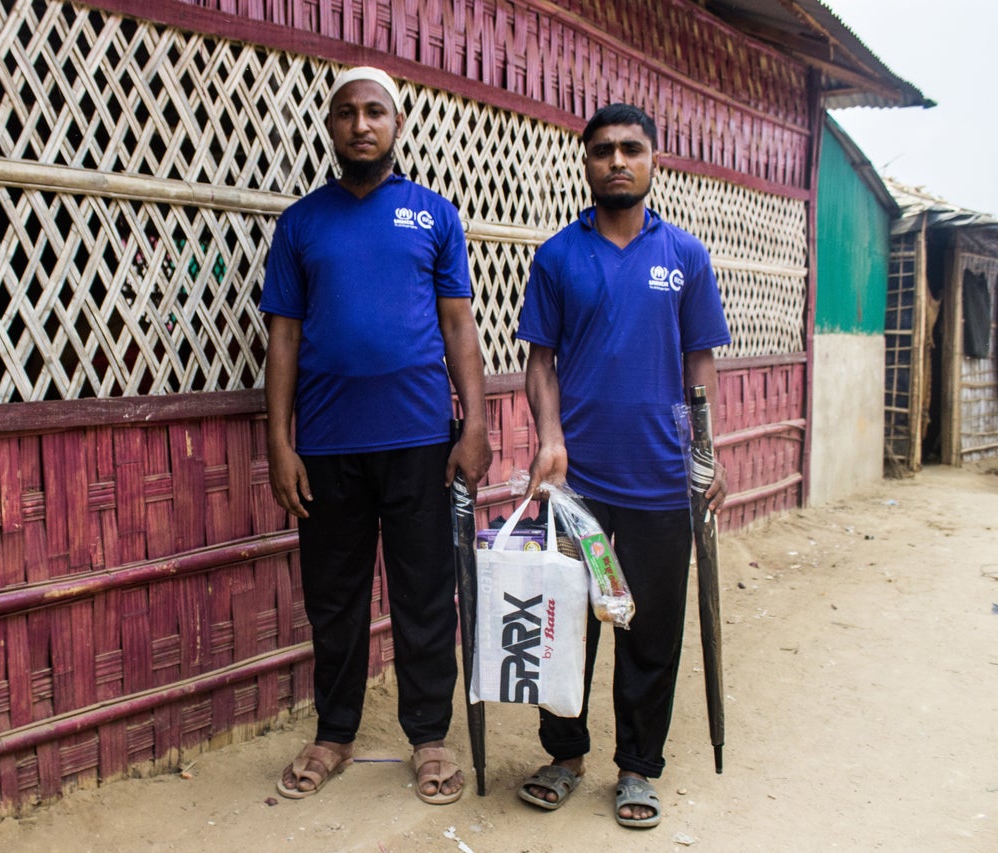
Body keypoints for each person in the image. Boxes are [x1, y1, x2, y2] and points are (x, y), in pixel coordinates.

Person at [259, 66, 492, 805]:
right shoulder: (302, 222)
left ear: (397, 124)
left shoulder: (432, 215)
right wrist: (279, 440)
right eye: (347, 113)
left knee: (426, 592)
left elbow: (459, 323)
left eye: (375, 112)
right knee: (335, 597)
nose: (361, 124)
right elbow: (284, 338)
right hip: (326, 443)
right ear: (331, 127)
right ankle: (335, 731)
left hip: (422, 437)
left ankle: (429, 737)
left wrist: (476, 422)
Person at [514, 103, 730, 828]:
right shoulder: (558, 257)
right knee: (564, 626)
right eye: (603, 149)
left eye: (630, 148)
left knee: (651, 632)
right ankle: (564, 754)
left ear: (653, 158)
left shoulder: (685, 257)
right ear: (586, 161)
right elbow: (539, 360)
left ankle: (638, 767)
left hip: (661, 480)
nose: (616, 160)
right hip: (576, 485)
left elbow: (699, 360)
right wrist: (549, 437)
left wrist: (706, 453)